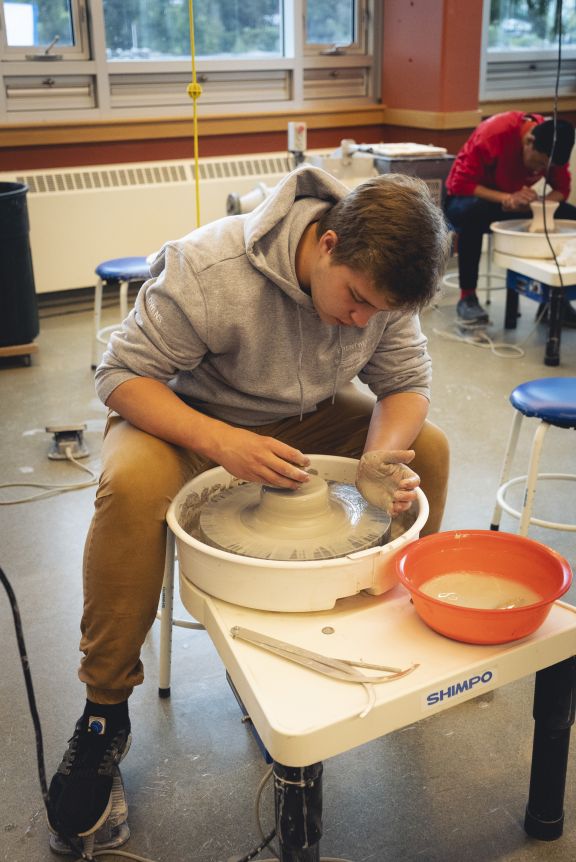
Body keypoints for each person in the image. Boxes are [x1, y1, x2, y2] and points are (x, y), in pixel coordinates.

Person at [45, 164, 451, 853]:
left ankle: (389, 636)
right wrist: (219, 440)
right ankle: (103, 712)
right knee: (131, 487)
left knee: (427, 451)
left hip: (308, 417)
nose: (361, 321)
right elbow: (118, 377)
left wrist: (378, 458)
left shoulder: (380, 291)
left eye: (377, 313)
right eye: (354, 300)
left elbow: (405, 385)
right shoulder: (211, 265)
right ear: (325, 243)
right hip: (190, 421)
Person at [444, 112, 576, 326]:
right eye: (538, 163)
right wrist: (507, 198)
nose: (539, 171)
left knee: (569, 215)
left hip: (516, 202)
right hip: (471, 199)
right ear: (529, 142)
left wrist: (541, 205)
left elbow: (563, 189)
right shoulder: (494, 133)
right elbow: (460, 184)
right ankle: (467, 297)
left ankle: (554, 300)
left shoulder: (553, 144)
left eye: (545, 168)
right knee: (471, 216)